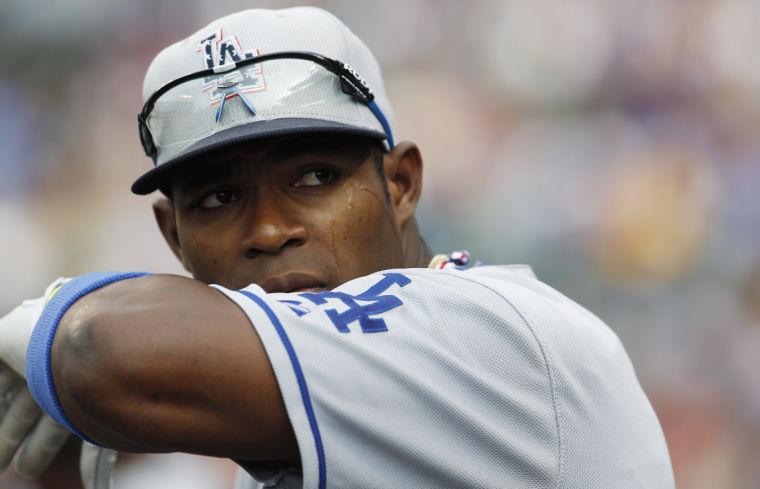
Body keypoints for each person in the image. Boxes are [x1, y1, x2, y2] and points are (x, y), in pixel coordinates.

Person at [0, 7, 675, 489]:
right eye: (216, 198)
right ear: (173, 237)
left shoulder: (493, 330)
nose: (268, 230)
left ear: (401, 183)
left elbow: (101, 352)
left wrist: (61, 315)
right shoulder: (300, 415)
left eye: (315, 176)